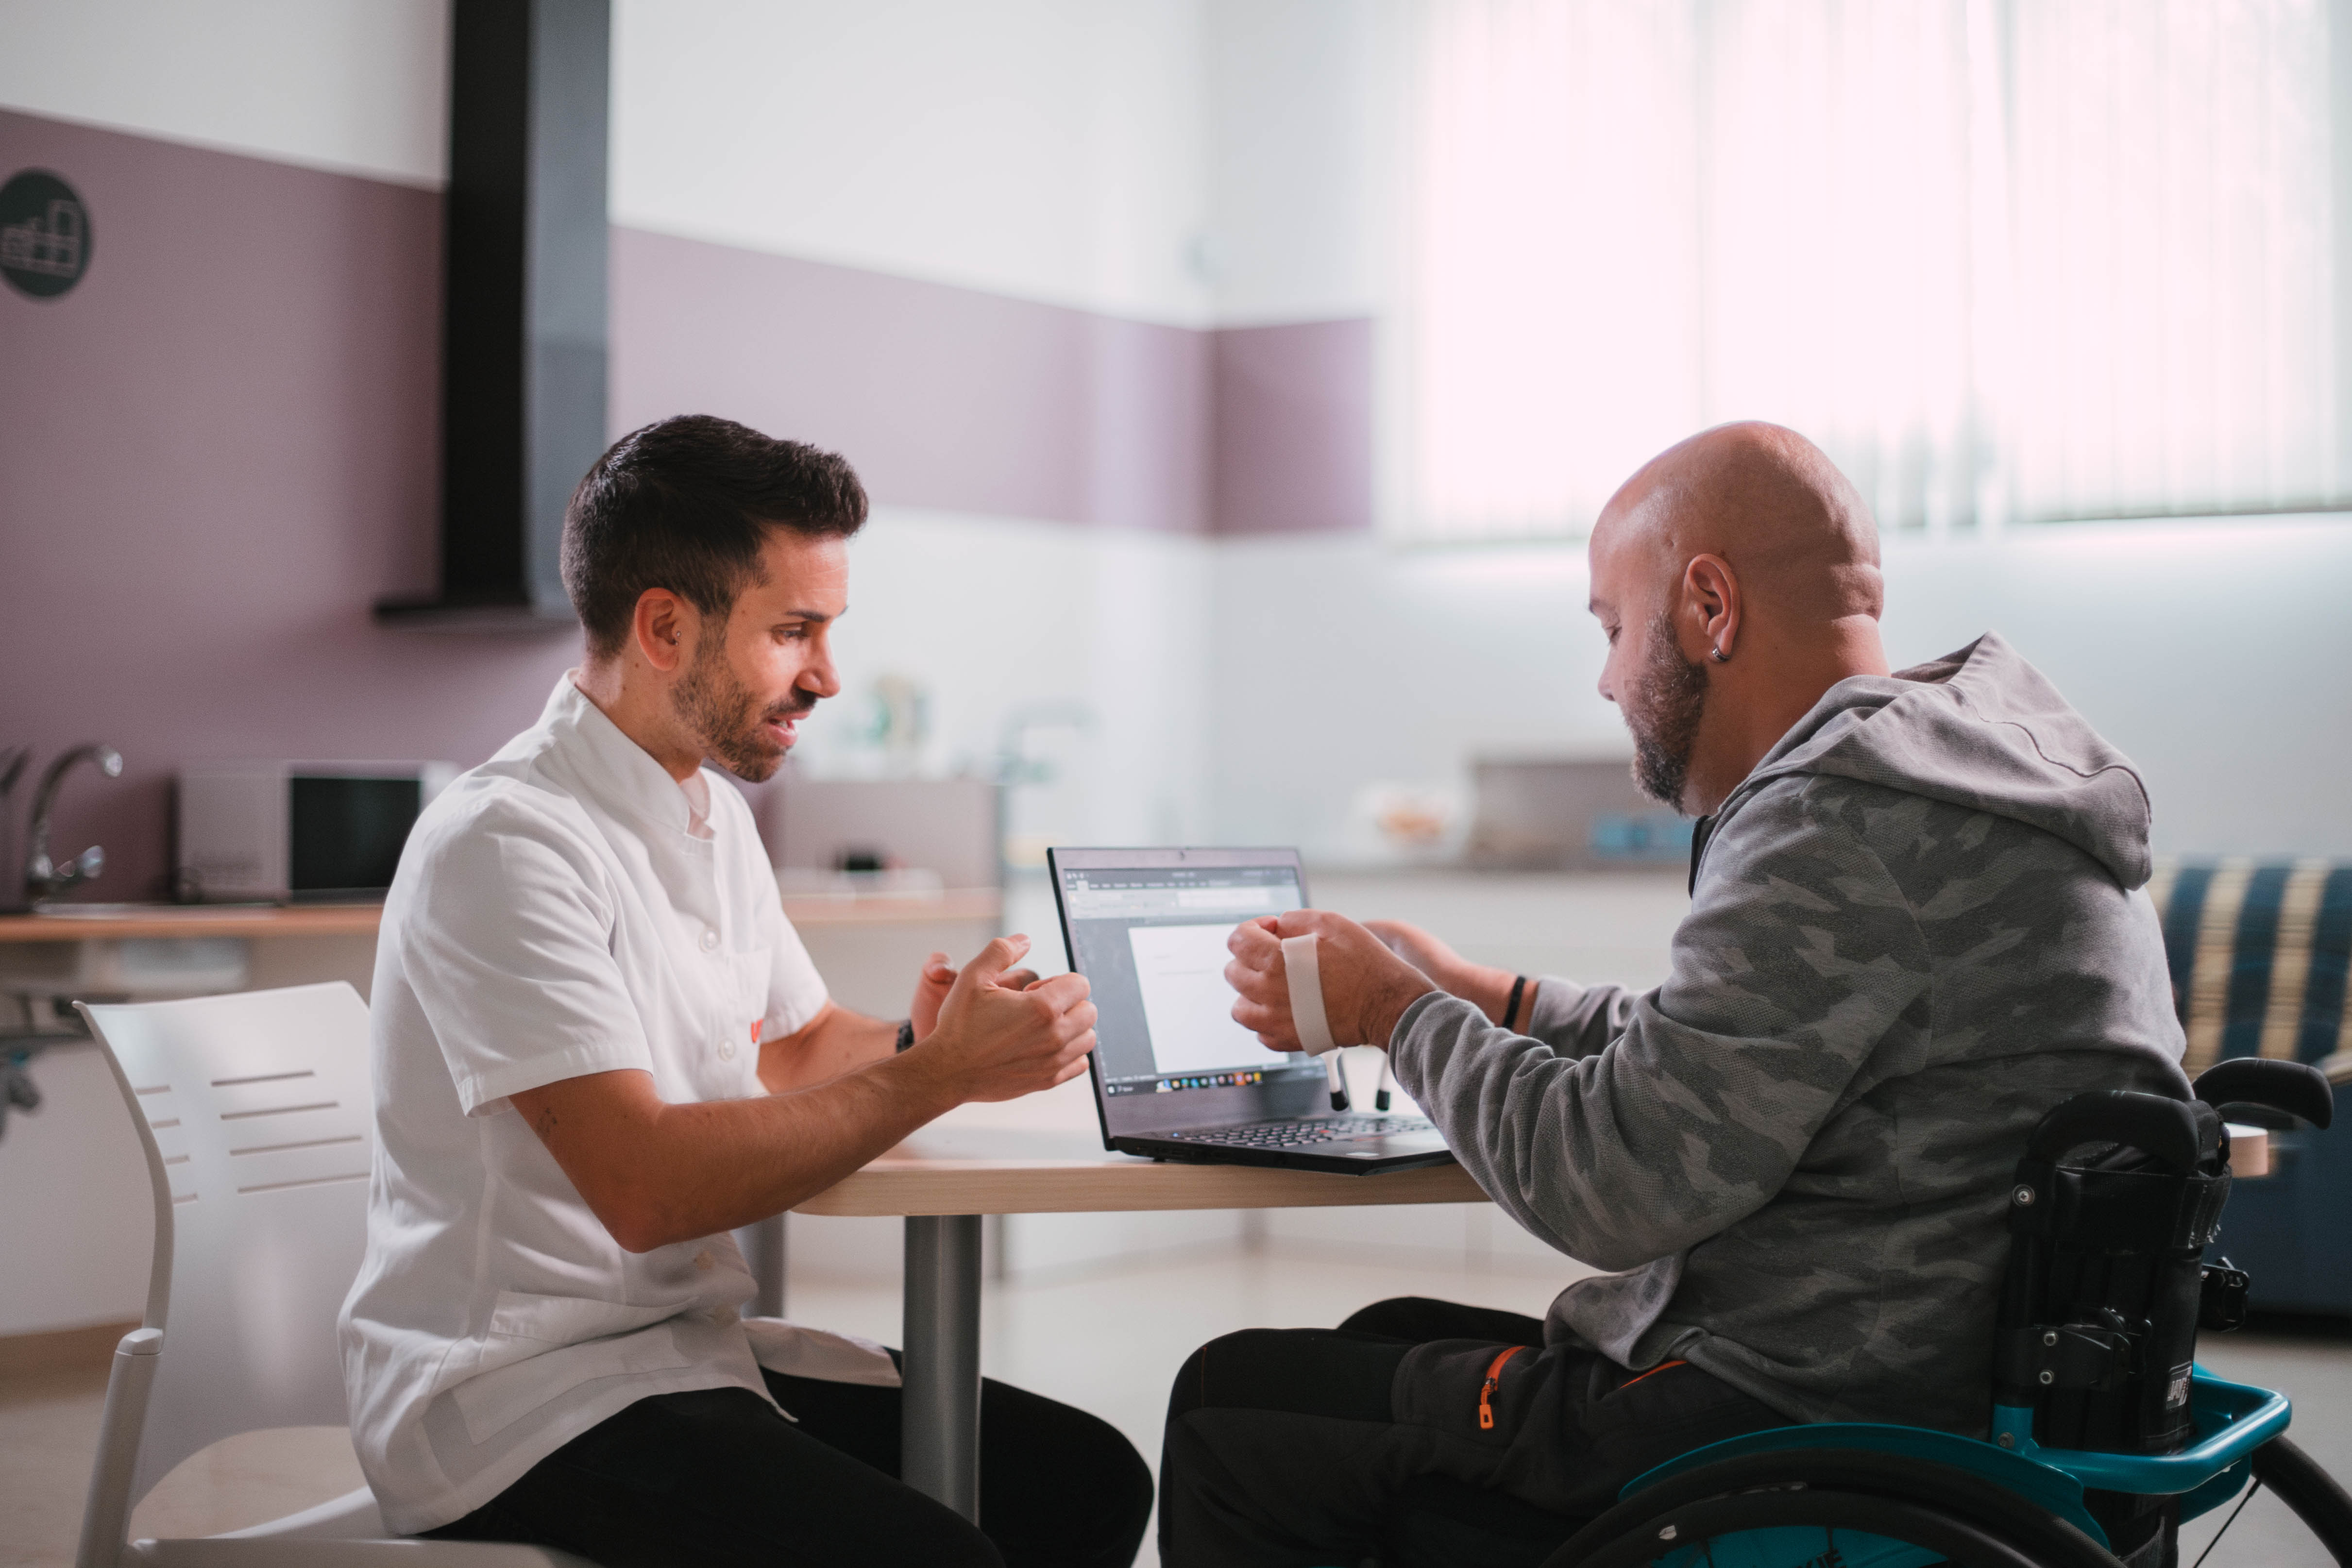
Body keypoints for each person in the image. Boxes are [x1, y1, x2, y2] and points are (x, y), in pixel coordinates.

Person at [1159, 422, 2191, 1567]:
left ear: (1710, 605)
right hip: (1930, 1386)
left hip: (1796, 1422)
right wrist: (1478, 991)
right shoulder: (1971, 784)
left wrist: (1392, 1013)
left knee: (1231, 1403)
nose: (1604, 678)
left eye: (1610, 626)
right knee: (1382, 1339)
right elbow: (1709, 1057)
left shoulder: (1836, 823)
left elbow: (1611, 1186)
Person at [338, 415, 1152, 1568]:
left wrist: (942, 1034)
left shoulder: (707, 811)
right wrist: (940, 1073)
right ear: (665, 625)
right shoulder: (508, 841)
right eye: (794, 632)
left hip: (680, 1346)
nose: (825, 675)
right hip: (520, 1396)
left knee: (1084, 1480)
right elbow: (646, 1185)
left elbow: (796, 1043)